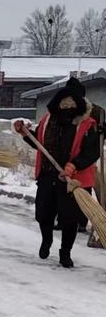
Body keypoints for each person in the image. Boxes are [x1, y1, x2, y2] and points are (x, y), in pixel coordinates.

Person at [14, 77, 99, 268]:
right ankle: (46, 240)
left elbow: (91, 152)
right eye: (64, 102)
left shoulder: (87, 124)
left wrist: (73, 166)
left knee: (69, 219)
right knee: (44, 214)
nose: (67, 106)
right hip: (48, 174)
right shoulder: (48, 119)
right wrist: (25, 133)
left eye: (71, 103)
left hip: (72, 180)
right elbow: (39, 142)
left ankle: (65, 252)